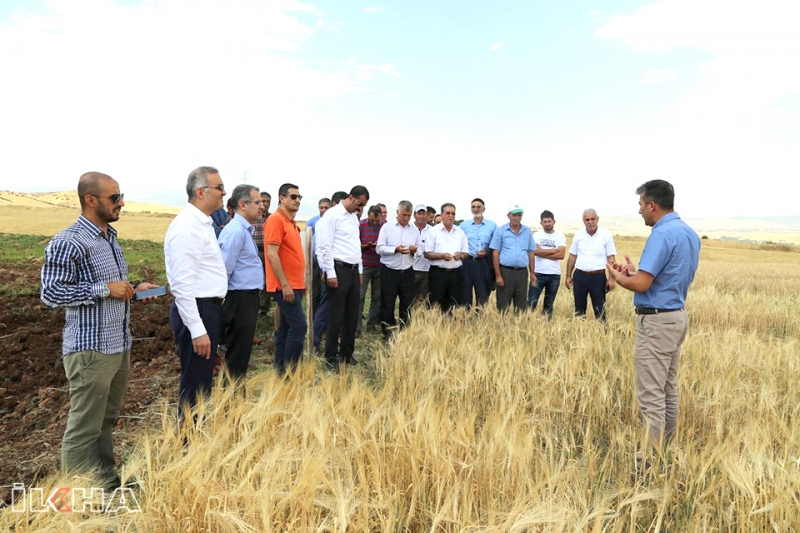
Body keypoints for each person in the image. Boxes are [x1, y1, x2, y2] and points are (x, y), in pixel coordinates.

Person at [40, 171, 159, 486]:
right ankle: (78, 498)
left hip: (117, 345)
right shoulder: (69, 242)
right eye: (114, 198)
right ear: (90, 200)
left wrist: (134, 288)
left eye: (121, 196)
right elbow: (51, 294)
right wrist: (106, 289)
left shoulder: (109, 238)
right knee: (84, 426)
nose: (122, 203)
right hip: (90, 349)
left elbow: (110, 288)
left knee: (106, 420)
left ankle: (105, 481)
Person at [607, 180, 700, 455]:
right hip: (676, 317)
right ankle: (667, 448)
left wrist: (619, 278)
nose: (639, 211)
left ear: (652, 205)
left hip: (657, 323)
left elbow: (643, 285)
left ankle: (648, 460)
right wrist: (634, 272)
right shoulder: (689, 233)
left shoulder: (661, 234)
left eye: (640, 205)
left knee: (651, 395)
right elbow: (662, 277)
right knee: (668, 388)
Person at [165, 166, 228, 420]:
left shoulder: (202, 223)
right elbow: (181, 284)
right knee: (195, 382)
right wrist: (197, 329)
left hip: (207, 309)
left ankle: (195, 437)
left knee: (202, 380)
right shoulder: (188, 227)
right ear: (201, 192)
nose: (225, 192)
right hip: (198, 311)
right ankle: (188, 445)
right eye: (219, 187)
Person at [315, 185, 370, 368]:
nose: (360, 208)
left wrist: (360, 270)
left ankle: (347, 353)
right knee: (336, 316)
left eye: (363, 206)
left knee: (352, 315)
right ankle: (330, 357)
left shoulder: (353, 218)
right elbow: (325, 247)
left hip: (354, 270)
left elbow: (356, 245)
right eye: (359, 203)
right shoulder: (332, 216)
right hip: (338, 269)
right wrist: (330, 273)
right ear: (351, 197)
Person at [218, 184, 264, 381]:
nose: (262, 206)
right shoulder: (235, 231)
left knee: (242, 349)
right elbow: (224, 269)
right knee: (238, 350)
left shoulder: (244, 230)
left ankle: (234, 393)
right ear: (243, 204)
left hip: (246, 297)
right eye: (258, 202)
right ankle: (232, 397)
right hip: (239, 298)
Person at [264, 183, 307, 376]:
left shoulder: (291, 223)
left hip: (294, 285)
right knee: (299, 326)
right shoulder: (276, 220)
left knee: (286, 327)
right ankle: (290, 372)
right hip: (285, 286)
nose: (297, 200)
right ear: (282, 198)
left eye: (299, 197)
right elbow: (272, 255)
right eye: (293, 197)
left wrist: (300, 283)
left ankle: (280, 369)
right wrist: (285, 284)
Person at [376, 201, 421, 340]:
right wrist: (395, 249)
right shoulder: (387, 227)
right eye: (403, 215)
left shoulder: (414, 229)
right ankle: (388, 331)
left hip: (407, 270)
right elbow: (379, 248)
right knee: (388, 301)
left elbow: (420, 249)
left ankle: (405, 329)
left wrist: (415, 251)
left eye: (408, 215)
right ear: (397, 212)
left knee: (407, 302)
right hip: (389, 270)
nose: (406, 218)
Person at [565, 209, 617, 321]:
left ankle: (602, 335)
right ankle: (579, 333)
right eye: (587, 219)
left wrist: (611, 279)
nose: (590, 222)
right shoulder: (578, 235)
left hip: (598, 277)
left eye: (592, 219)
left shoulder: (606, 235)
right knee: (579, 309)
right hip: (580, 276)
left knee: (600, 309)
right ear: (583, 221)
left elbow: (611, 258)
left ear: (597, 219)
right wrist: (568, 276)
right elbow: (572, 256)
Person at [424, 203, 469, 312]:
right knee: (435, 304)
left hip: (456, 274)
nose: (450, 216)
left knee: (454, 304)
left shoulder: (460, 232)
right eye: (448, 213)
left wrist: (461, 255)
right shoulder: (433, 231)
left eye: (453, 213)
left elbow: (466, 253)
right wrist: (441, 256)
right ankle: (435, 327)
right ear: (442, 215)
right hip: (438, 274)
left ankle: (451, 328)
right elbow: (427, 253)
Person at [490, 204, 535, 313]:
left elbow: (531, 252)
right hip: (505, 272)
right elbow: (495, 253)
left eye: (519, 215)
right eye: (514, 215)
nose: (516, 217)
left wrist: (532, 273)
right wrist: (498, 275)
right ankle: (503, 328)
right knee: (503, 304)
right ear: (508, 216)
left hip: (522, 272)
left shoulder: (527, 231)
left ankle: (518, 328)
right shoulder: (500, 230)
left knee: (521, 304)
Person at [528, 210, 566, 318]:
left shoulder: (560, 236)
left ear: (554, 222)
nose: (547, 224)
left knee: (549, 304)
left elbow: (561, 255)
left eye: (549, 221)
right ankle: (528, 324)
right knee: (531, 302)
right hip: (537, 273)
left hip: (554, 274)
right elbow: (534, 251)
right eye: (545, 222)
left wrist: (541, 252)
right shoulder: (536, 235)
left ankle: (546, 328)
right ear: (541, 223)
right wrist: (554, 250)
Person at [460, 198, 496, 308]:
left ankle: (480, 320)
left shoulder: (492, 225)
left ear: (483, 209)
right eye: (473, 207)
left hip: (484, 263)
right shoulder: (463, 225)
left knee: (483, 294)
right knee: (465, 294)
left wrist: (487, 251)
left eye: (478, 207)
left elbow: (496, 245)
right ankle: (465, 319)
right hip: (467, 262)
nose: (476, 209)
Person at [357, 205, 383, 335]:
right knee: (360, 296)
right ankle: (357, 327)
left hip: (379, 265)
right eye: (372, 220)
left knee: (377, 297)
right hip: (364, 265)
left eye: (376, 220)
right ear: (368, 215)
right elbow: (356, 246)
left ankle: (371, 325)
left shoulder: (384, 226)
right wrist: (368, 245)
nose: (374, 222)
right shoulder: (360, 225)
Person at [306, 198, 331, 315]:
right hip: (314, 261)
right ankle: (314, 318)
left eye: (326, 207)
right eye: (321, 207)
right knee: (315, 292)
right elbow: (308, 241)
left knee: (325, 293)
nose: (324, 210)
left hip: (326, 262)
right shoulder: (312, 222)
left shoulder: (332, 221)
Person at [253, 190, 272, 317]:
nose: (265, 204)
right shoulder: (253, 217)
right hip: (255, 253)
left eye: (267, 201)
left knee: (268, 281)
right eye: (262, 201)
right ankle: (254, 308)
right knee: (256, 281)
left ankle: (263, 310)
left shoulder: (272, 218)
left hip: (269, 252)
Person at [412, 204, 431, 304]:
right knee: (410, 298)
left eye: (423, 214)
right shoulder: (409, 228)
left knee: (424, 299)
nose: (421, 216)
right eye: (419, 213)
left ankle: (422, 319)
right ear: (415, 215)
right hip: (411, 269)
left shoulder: (432, 231)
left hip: (426, 269)